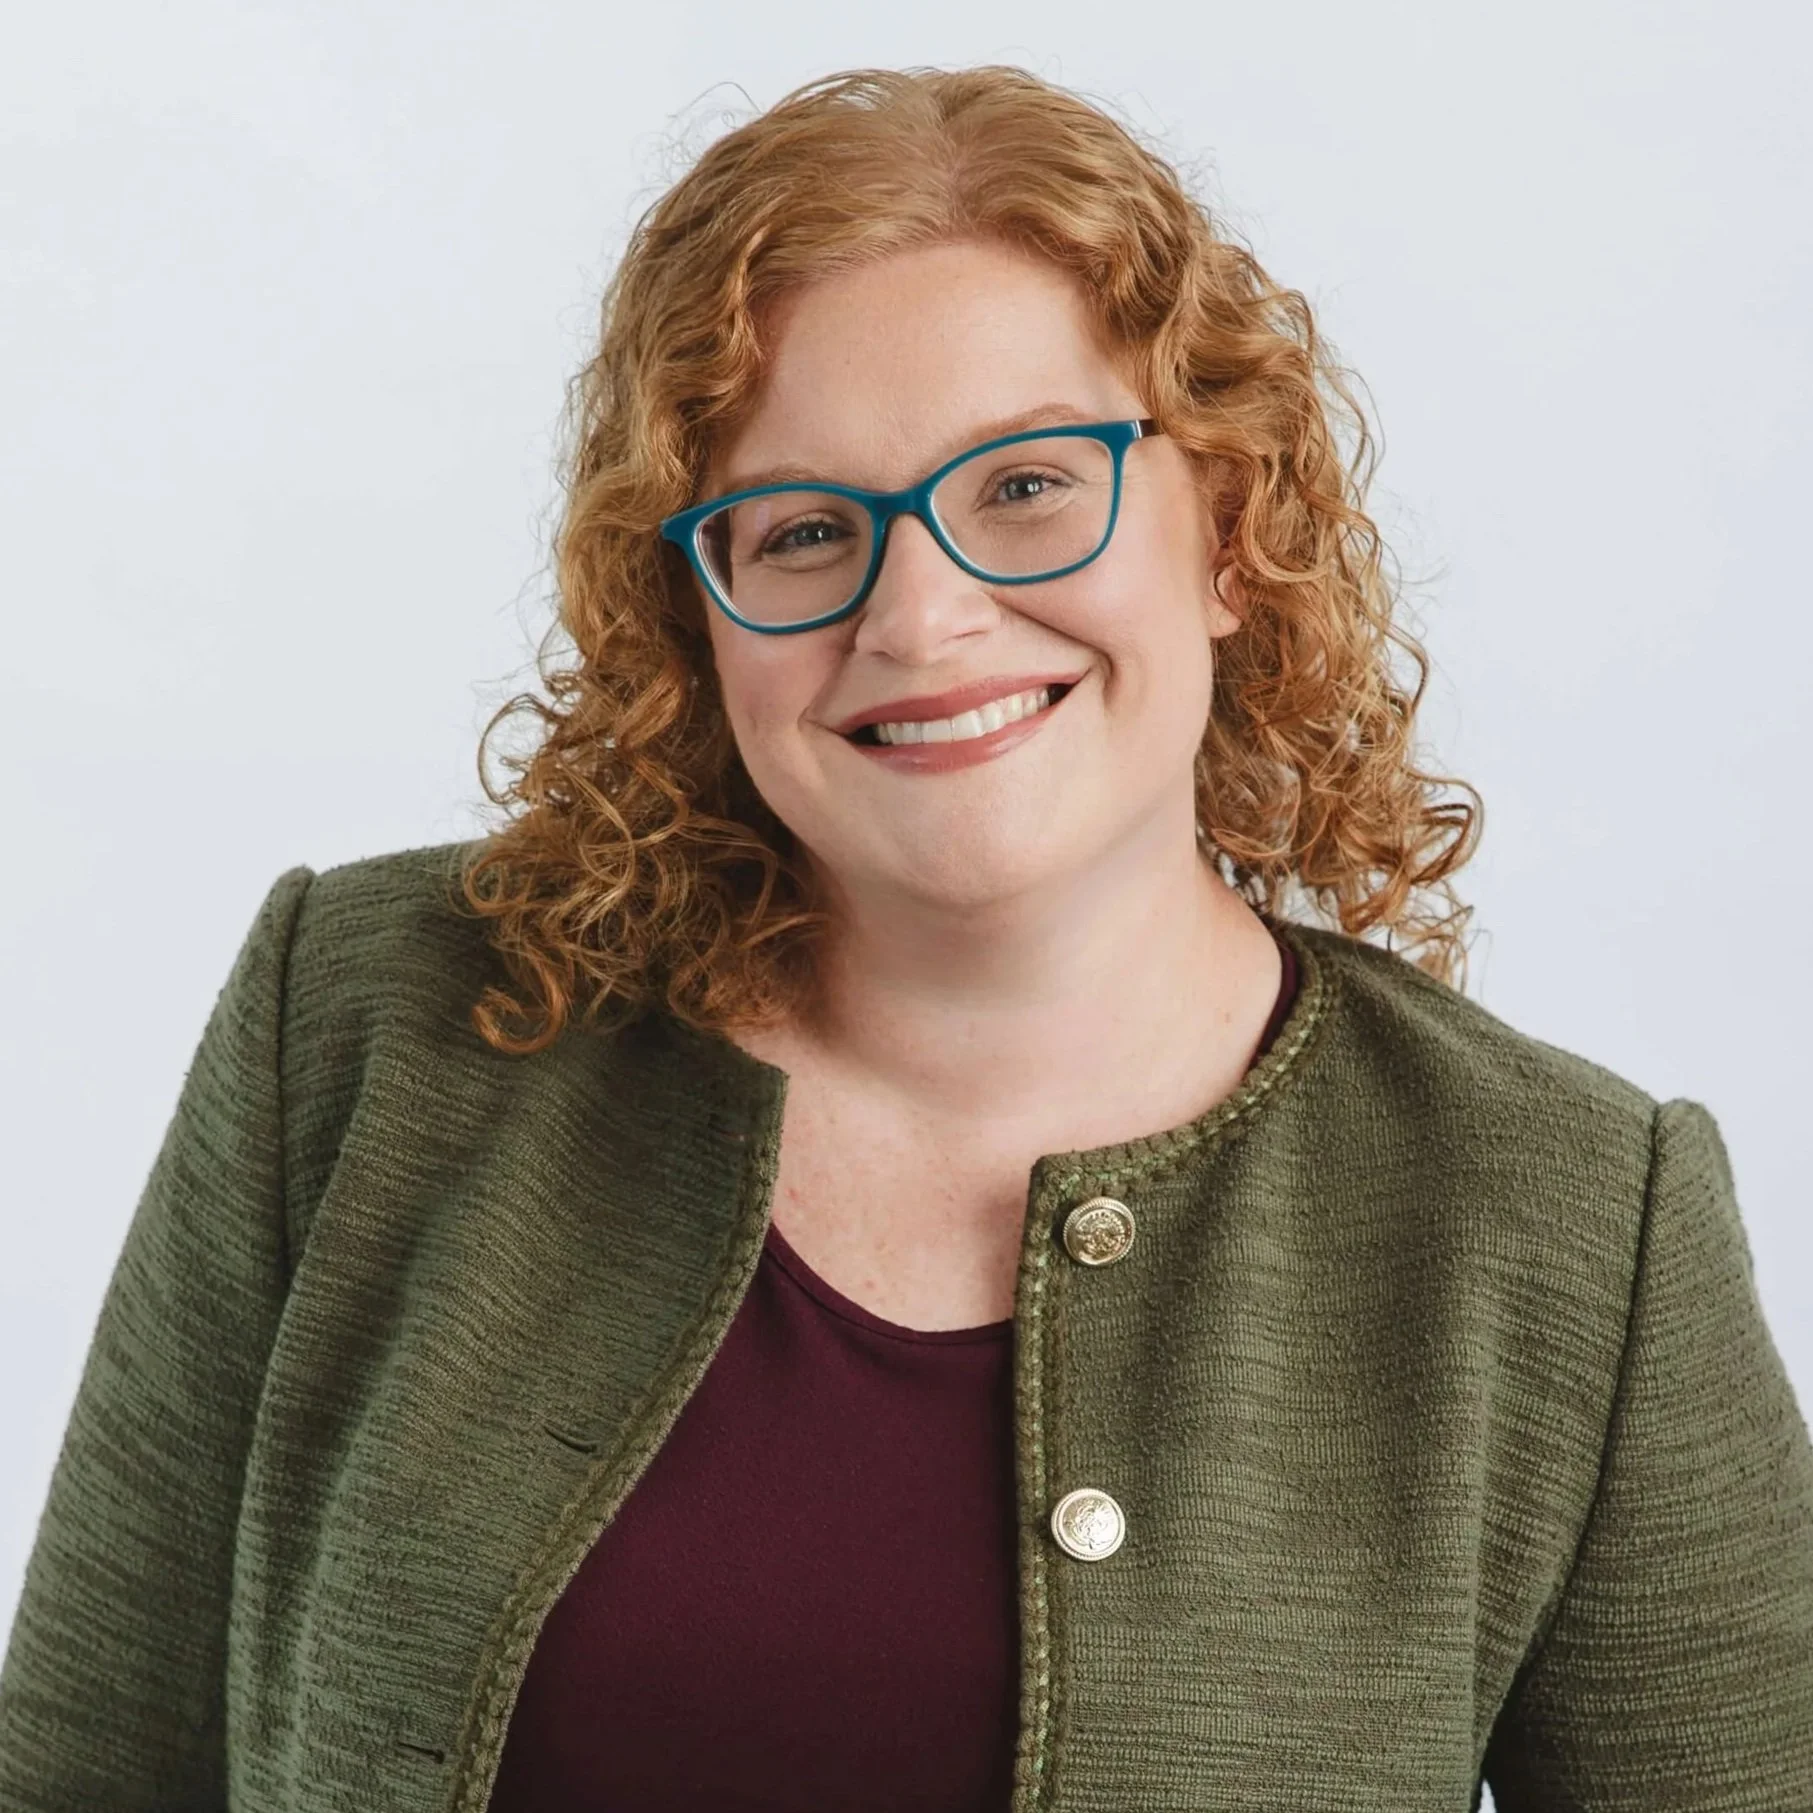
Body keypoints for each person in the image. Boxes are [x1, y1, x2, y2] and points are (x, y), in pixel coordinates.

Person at [2, 62, 1809, 1813]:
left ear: (1233, 529)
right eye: (800, 531)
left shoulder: (1573, 1227)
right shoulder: (373, 1023)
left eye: (1027, 485)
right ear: (695, 618)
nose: (921, 617)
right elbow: (82, 1770)